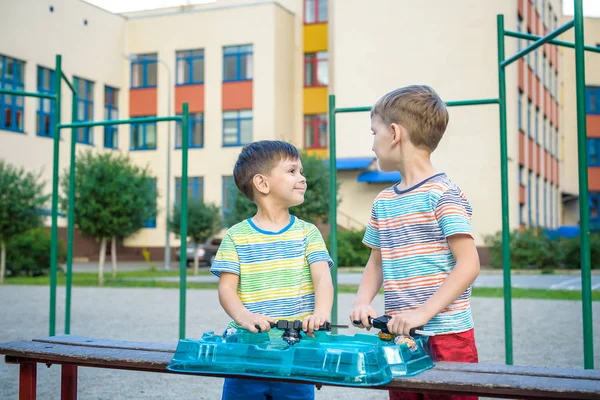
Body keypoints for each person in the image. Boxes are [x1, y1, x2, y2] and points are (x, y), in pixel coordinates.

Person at [349, 85, 481, 400]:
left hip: (447, 337)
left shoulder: (443, 194)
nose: (372, 143)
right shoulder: (383, 202)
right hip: (400, 338)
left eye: (374, 132)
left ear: (394, 133)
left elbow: (469, 264)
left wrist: (422, 313)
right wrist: (362, 301)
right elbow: (376, 262)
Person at [210, 140, 334, 400]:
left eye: (301, 171)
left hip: (295, 353)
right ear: (262, 183)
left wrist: (321, 314)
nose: (302, 178)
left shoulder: (308, 233)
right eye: (292, 171)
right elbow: (227, 289)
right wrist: (244, 316)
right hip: (246, 353)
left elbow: (323, 279)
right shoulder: (236, 236)